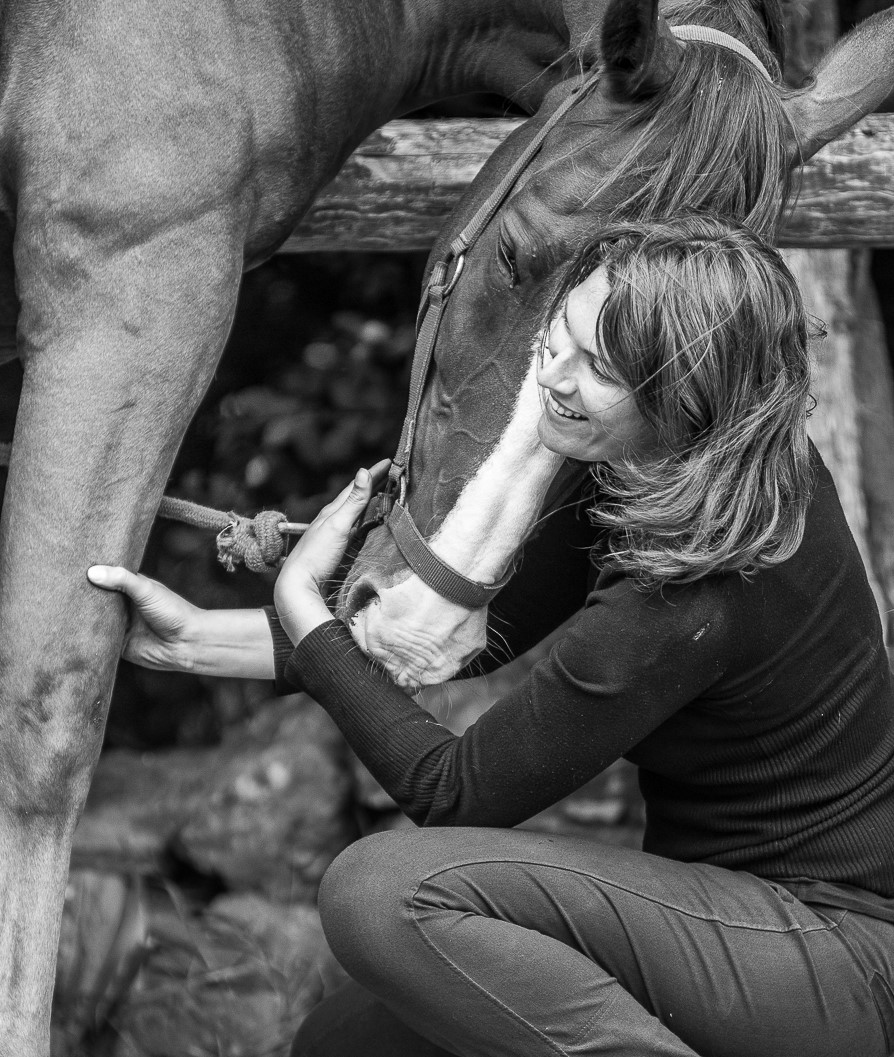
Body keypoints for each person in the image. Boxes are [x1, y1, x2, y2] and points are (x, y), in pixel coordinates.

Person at [88, 214, 894, 1057]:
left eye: (602, 369)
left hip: (831, 960)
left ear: (683, 396)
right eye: (565, 335)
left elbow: (454, 793)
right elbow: (475, 634)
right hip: (715, 919)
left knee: (381, 891)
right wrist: (197, 642)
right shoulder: (691, 468)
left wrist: (307, 608)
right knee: (341, 1042)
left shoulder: (696, 580)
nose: (556, 376)